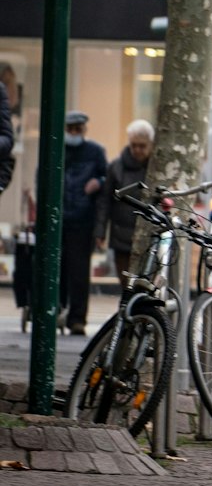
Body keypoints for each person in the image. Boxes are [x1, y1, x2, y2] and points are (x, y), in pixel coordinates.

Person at [59, 111, 109, 334]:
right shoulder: (57, 150)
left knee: (79, 272)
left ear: (84, 130)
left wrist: (98, 182)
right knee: (58, 267)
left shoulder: (95, 152)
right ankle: (57, 310)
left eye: (77, 129)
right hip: (58, 218)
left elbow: (107, 178)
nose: (73, 133)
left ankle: (77, 318)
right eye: (70, 129)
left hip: (82, 219)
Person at [96, 120, 154, 282]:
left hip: (149, 237)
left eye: (142, 146)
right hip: (121, 236)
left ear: (150, 145)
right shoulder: (116, 167)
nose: (137, 150)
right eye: (134, 145)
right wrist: (100, 231)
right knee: (126, 283)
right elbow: (104, 201)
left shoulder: (156, 169)